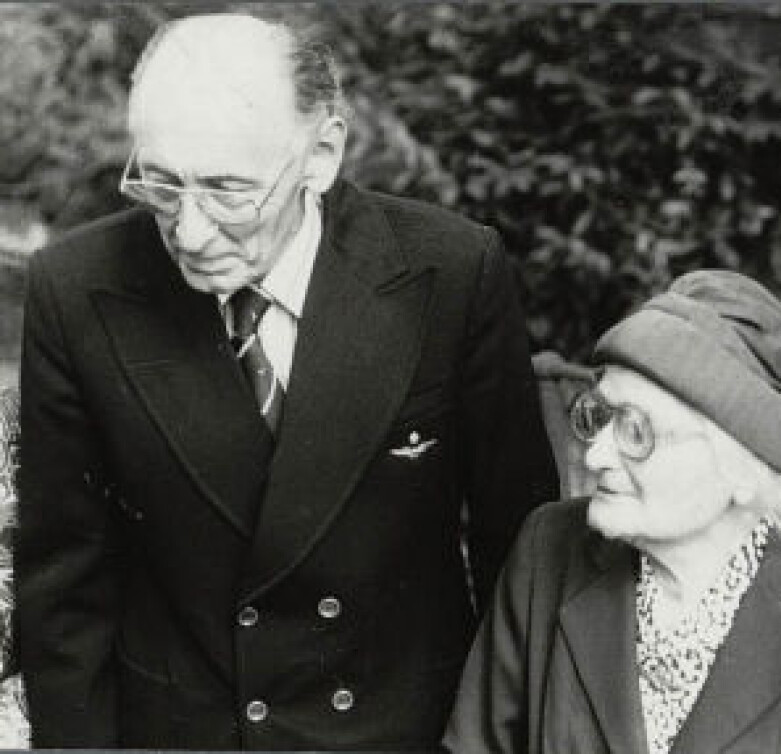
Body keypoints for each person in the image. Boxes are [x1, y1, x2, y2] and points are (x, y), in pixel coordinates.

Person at [15, 11, 558, 750]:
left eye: (229, 191)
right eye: (162, 185)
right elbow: (64, 595)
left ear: (322, 154)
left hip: (400, 731)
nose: (192, 232)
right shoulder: (75, 288)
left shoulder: (450, 274)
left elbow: (519, 556)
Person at [443, 270, 781, 754]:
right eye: (598, 415)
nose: (596, 454)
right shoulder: (548, 550)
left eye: (636, 431)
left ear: (740, 469)